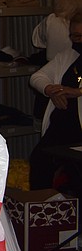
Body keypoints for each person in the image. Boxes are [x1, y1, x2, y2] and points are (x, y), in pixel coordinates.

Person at [28, 12, 82, 194]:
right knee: (39, 161)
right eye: (73, 35)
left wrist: (77, 92)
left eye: (80, 36)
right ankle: (42, 213)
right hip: (62, 128)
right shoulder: (68, 56)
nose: (76, 40)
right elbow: (37, 77)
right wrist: (50, 89)